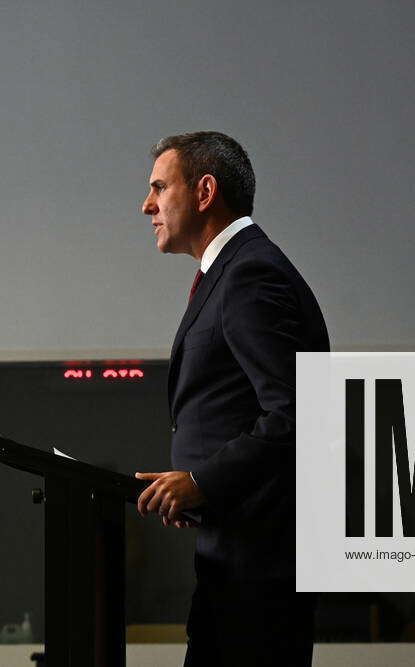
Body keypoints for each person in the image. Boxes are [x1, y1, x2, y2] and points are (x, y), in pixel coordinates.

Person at [134, 131, 330, 666]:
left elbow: (298, 413)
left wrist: (202, 481)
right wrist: (200, 489)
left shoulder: (250, 273)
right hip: (234, 557)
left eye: (158, 187)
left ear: (204, 192)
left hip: (259, 574)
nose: (146, 205)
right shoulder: (230, 272)